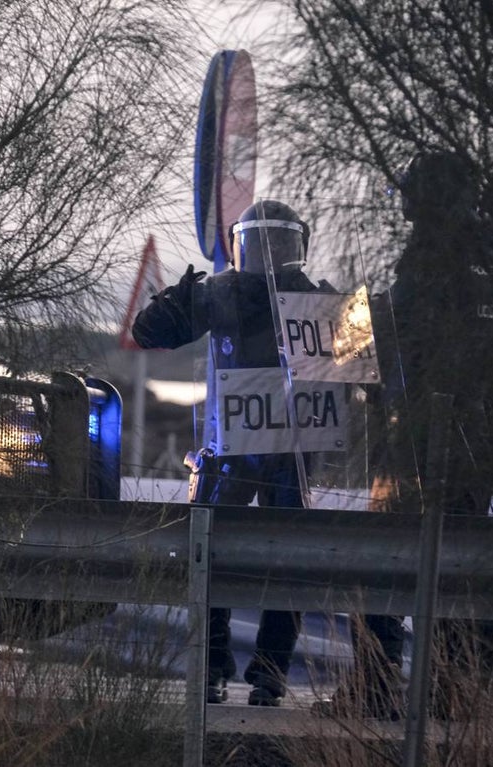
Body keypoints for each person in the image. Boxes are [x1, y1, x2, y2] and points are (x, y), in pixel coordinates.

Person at [321, 151, 493, 720]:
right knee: (460, 565)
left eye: (411, 195)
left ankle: (378, 684)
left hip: (417, 445)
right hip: (474, 443)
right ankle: (466, 684)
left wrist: (350, 320)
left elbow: (401, 340)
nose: (405, 207)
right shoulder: (491, 258)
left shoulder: (436, 265)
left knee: (382, 563)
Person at [132, 200, 330, 707]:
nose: (267, 252)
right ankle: (221, 666)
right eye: (259, 241)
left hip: (285, 451)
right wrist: (180, 298)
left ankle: (263, 673)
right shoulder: (223, 294)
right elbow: (148, 334)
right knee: (211, 553)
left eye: (276, 242)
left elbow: (359, 375)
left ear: (295, 247)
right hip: (236, 446)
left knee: (273, 560)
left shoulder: (312, 300)